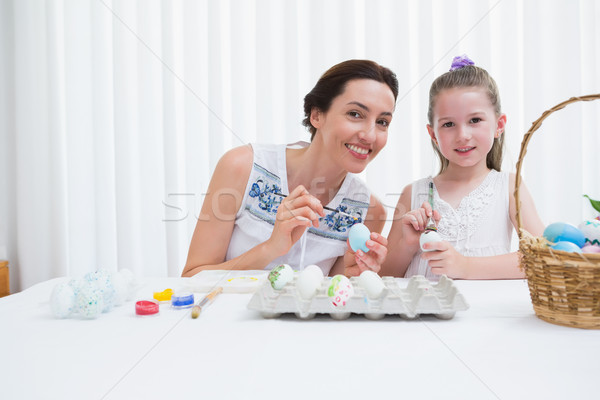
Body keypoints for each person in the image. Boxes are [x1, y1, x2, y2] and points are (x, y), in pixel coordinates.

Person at [182, 60, 398, 278]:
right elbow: (192, 277)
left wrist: (350, 274)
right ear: (316, 116)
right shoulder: (243, 167)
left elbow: (329, 297)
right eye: (355, 114)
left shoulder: (369, 210)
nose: (370, 135)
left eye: (382, 122)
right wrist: (271, 248)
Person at [381, 55, 544, 280]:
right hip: (423, 313)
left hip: (484, 314)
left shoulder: (509, 187)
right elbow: (384, 276)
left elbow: (542, 258)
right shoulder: (413, 193)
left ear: (499, 125)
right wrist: (407, 245)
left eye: (475, 120)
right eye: (448, 124)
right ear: (433, 135)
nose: (462, 136)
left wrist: (465, 266)